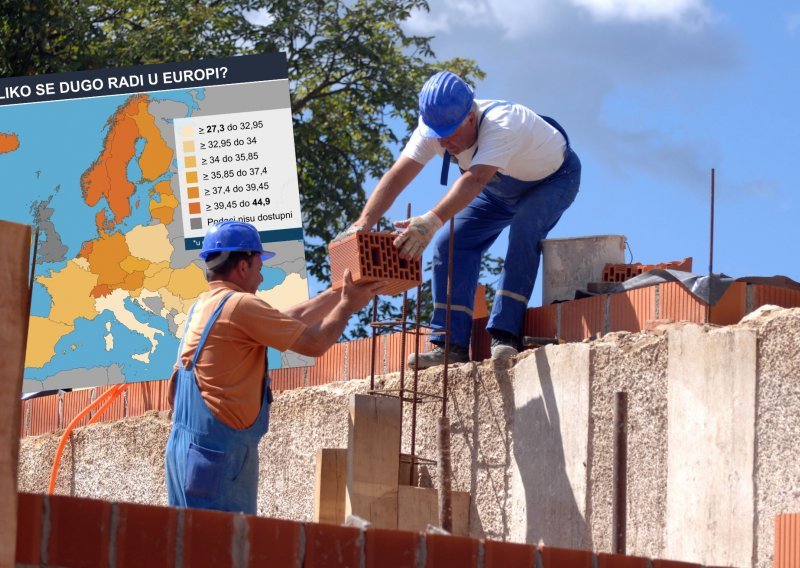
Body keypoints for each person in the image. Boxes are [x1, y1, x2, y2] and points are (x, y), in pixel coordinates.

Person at [335, 71, 581, 368]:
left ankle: (505, 335)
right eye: (438, 134)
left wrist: (429, 220)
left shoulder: (502, 123)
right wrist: (363, 222)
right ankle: (450, 345)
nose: (444, 141)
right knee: (450, 243)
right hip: (497, 188)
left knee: (524, 230)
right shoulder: (434, 131)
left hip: (552, 181)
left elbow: (475, 179)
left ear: (470, 117)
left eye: (450, 132)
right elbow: (397, 175)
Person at [165, 220, 380, 513]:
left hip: (189, 453)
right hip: (220, 457)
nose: (261, 277)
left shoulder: (206, 306)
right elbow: (314, 344)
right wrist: (346, 307)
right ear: (242, 267)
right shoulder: (241, 305)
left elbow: (285, 320)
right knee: (225, 550)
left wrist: (336, 294)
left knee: (188, 546)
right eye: (258, 266)